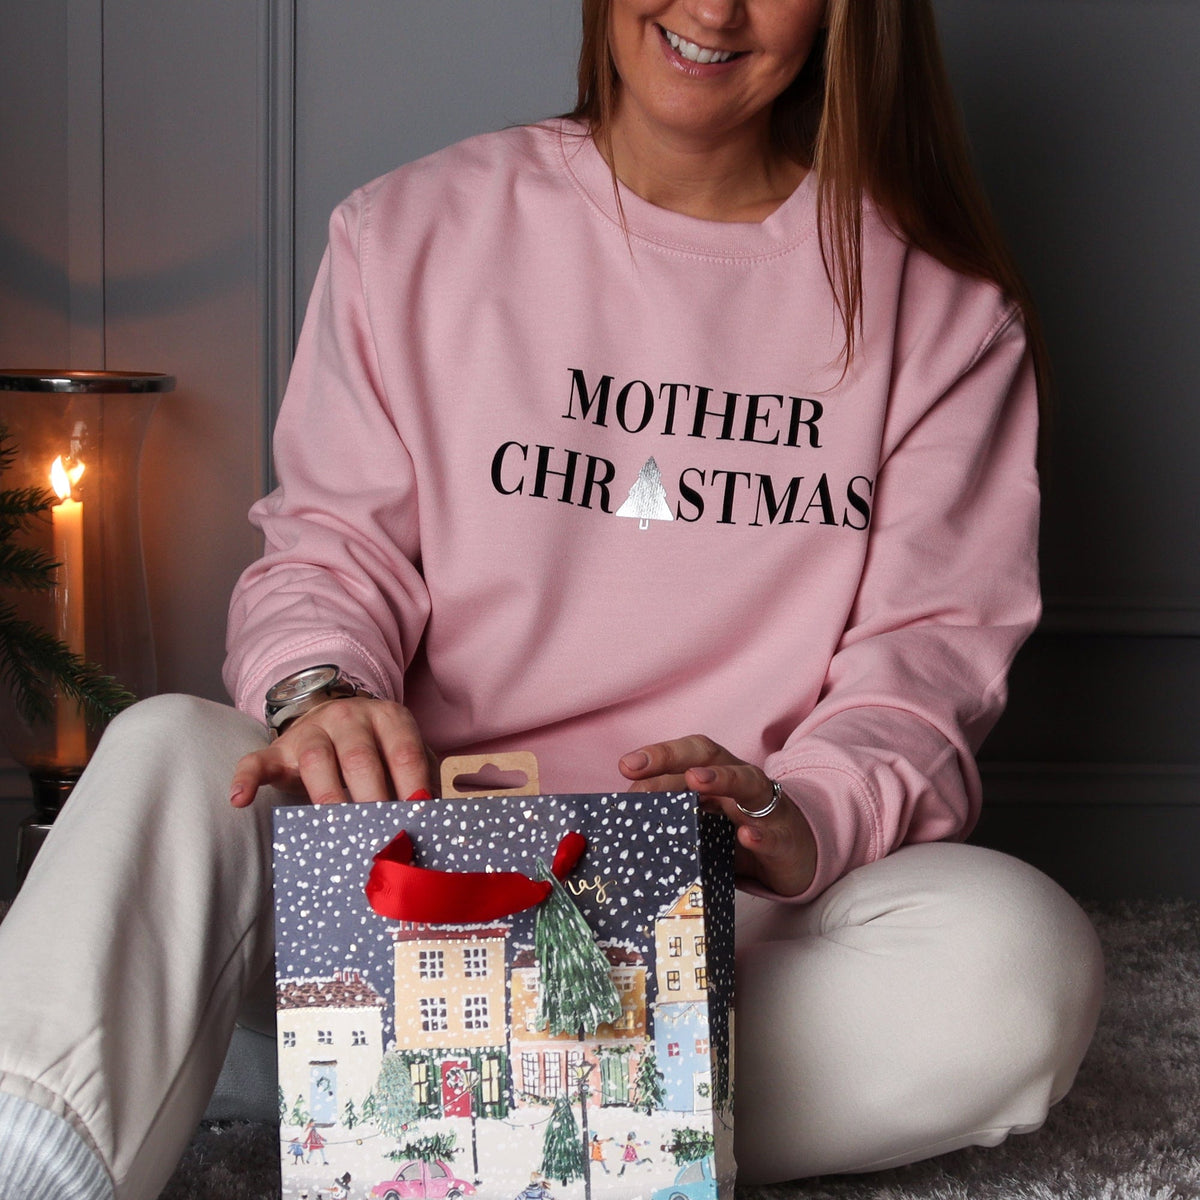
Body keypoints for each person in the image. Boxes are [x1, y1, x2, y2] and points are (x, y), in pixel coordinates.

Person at [0, 2, 1104, 1198]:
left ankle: (423, 1109)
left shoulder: (943, 313)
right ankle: (41, 1158)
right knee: (165, 746)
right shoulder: (410, 230)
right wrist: (325, 690)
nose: (712, 9)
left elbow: (924, 665)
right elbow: (327, 550)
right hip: (402, 888)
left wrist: (804, 813)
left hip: (701, 926)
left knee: (1017, 957)